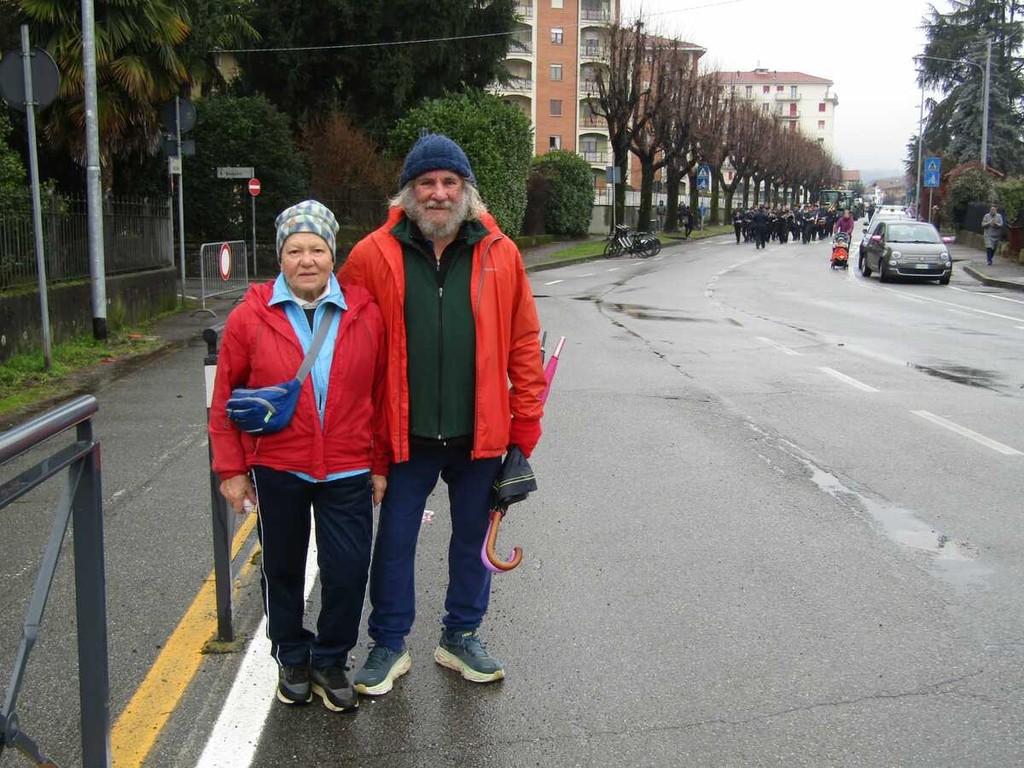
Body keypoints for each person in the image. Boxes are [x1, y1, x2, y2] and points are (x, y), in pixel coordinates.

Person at [338, 134, 547, 696]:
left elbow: (524, 344)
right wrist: (360, 435)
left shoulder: (500, 252)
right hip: (402, 435)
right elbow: (348, 349)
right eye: (426, 182)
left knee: (473, 540)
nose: (438, 193)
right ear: (408, 192)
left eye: (449, 182)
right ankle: (388, 643)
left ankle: (461, 635)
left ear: (466, 190)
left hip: (480, 434)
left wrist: (525, 427)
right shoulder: (371, 254)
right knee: (394, 540)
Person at [209, 200, 387, 713]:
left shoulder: (364, 311)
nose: (306, 260)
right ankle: (290, 655)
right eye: (294, 250)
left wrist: (380, 464)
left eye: (316, 249)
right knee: (282, 568)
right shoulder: (250, 315)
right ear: (280, 257)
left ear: (332, 255)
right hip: (278, 465)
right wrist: (232, 470)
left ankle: (331, 659)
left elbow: (382, 393)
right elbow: (224, 399)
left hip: (348, 466)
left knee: (348, 570)